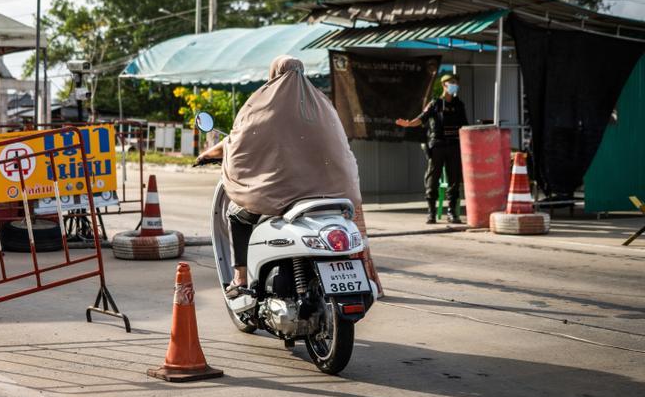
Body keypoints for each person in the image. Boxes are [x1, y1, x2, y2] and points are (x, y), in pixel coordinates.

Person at [197, 55, 363, 297]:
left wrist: (207, 155)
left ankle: (240, 278)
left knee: (236, 215)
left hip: (285, 195)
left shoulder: (262, 105)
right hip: (331, 196)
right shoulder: (323, 105)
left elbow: (237, 142)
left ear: (273, 74)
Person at [395, 73, 469, 224]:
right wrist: (409, 124)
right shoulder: (435, 103)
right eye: (451, 82)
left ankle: (452, 212)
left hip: (454, 145)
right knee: (432, 178)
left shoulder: (459, 105)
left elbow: (465, 126)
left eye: (456, 82)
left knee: (454, 179)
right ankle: (432, 212)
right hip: (438, 145)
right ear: (444, 85)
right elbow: (422, 118)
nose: (454, 85)